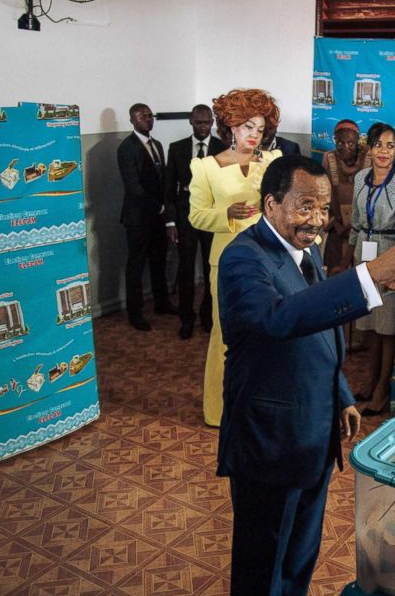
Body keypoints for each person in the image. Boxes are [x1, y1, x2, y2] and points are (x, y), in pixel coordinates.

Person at [217, 154, 395, 596]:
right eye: (305, 206)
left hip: (313, 434)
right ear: (271, 204)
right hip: (269, 442)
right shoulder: (242, 258)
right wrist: (368, 276)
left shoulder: (306, 250)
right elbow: (279, 319)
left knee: (298, 556)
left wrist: (342, 393)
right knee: (262, 566)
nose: (316, 220)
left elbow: (317, 332)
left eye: (324, 208)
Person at [188, 89, 281, 427]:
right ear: (229, 128)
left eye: (259, 128)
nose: (253, 135)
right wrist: (225, 213)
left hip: (268, 260)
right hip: (225, 261)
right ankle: (218, 411)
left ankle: (261, 406)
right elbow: (196, 216)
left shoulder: (271, 163)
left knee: (267, 333)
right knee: (224, 334)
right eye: (245, 127)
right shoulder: (206, 168)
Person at [350, 122, 395, 415]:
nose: (384, 151)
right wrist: (349, 257)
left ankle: (383, 388)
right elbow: (355, 221)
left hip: (391, 257)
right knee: (368, 323)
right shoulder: (360, 178)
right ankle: (369, 379)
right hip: (363, 257)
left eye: (390, 146)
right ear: (370, 147)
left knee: (387, 328)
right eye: (379, 144)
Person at [164, 104, 226, 339]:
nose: (203, 126)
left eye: (207, 122)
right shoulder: (177, 148)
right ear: (191, 121)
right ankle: (186, 318)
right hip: (185, 217)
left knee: (212, 269)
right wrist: (170, 223)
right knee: (186, 269)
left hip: (213, 217)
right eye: (199, 122)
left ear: (212, 122)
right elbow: (168, 187)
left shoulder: (222, 148)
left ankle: (208, 316)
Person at [117, 102, 176, 331]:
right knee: (136, 265)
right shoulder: (126, 148)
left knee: (159, 261)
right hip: (138, 217)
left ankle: (161, 302)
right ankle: (135, 313)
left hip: (157, 217)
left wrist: (165, 208)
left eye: (150, 116)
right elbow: (134, 187)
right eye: (143, 116)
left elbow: (162, 181)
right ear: (132, 120)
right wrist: (159, 207)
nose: (148, 120)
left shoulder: (157, 145)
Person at [321, 119, 367, 276]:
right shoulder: (329, 159)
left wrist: (359, 227)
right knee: (334, 275)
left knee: (363, 276)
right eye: (340, 143)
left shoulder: (369, 158)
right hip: (338, 229)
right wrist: (336, 224)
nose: (345, 147)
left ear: (358, 141)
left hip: (363, 230)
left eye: (351, 143)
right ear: (335, 141)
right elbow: (321, 197)